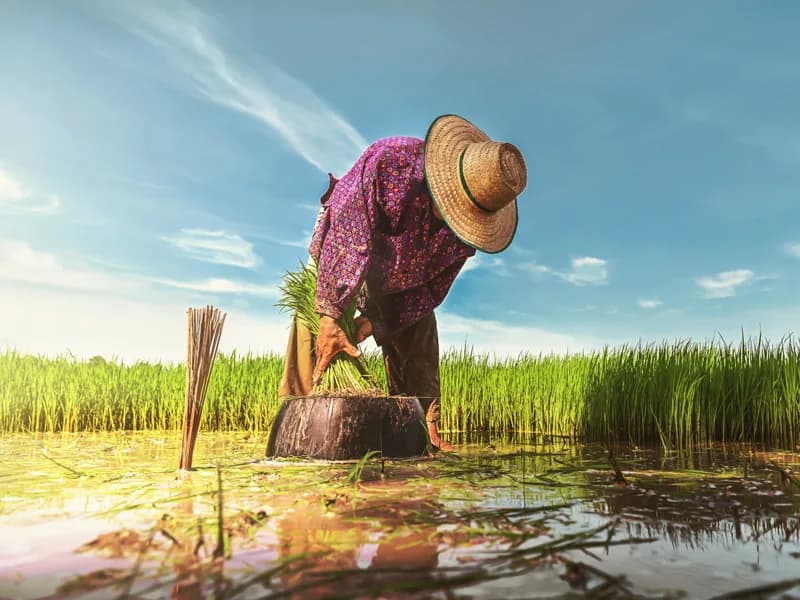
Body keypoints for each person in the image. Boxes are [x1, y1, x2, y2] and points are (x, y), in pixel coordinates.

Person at [278, 114, 528, 451]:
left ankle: (420, 433)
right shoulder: (391, 162)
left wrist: (379, 321)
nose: (459, 222)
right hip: (344, 252)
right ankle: (296, 431)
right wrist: (332, 314)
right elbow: (349, 234)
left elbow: (429, 292)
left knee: (421, 331)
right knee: (317, 329)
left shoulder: (463, 240)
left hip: (402, 282)